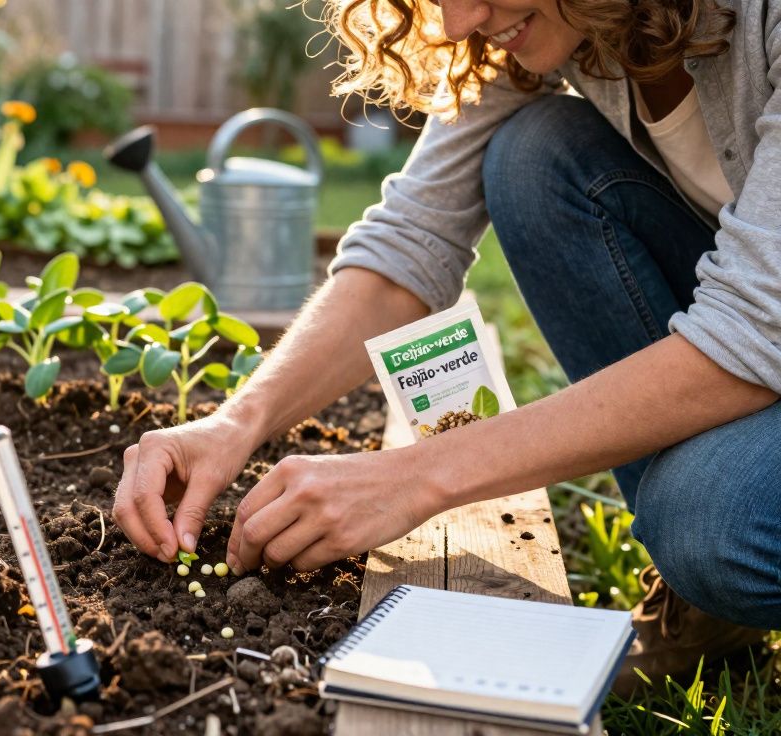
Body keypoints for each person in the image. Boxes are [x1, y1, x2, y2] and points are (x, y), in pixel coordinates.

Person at [112, 0, 781, 685]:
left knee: (710, 524)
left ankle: (707, 546)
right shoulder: (567, 26)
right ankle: (708, 607)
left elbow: (755, 328)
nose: (459, 21)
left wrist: (414, 476)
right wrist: (236, 422)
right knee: (534, 155)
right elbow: (413, 239)